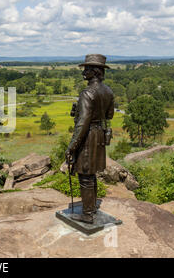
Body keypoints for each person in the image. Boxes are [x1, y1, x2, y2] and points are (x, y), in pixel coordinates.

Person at [65, 54, 115, 224]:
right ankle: (91, 207)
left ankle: (87, 214)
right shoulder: (108, 91)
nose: (83, 72)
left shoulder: (87, 93)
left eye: (86, 69)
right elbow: (109, 115)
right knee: (91, 174)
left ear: (95, 71)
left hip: (88, 137)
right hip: (99, 134)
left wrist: (71, 146)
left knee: (85, 176)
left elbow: (82, 124)